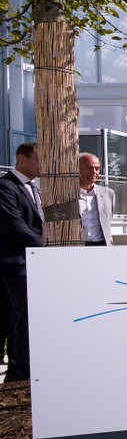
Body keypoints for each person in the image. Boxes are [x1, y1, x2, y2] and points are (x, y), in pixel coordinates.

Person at [0, 142, 44, 383]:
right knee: (23, 316)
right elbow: (15, 226)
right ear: (22, 158)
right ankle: (21, 371)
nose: (42, 164)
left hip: (33, 263)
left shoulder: (34, 189)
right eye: (38, 158)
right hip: (16, 264)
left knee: (26, 316)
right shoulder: (6, 187)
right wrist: (45, 247)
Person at [78, 152, 114, 246]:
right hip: (77, 246)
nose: (94, 172)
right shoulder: (69, 195)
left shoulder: (108, 194)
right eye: (88, 167)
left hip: (101, 246)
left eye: (97, 168)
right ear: (78, 169)